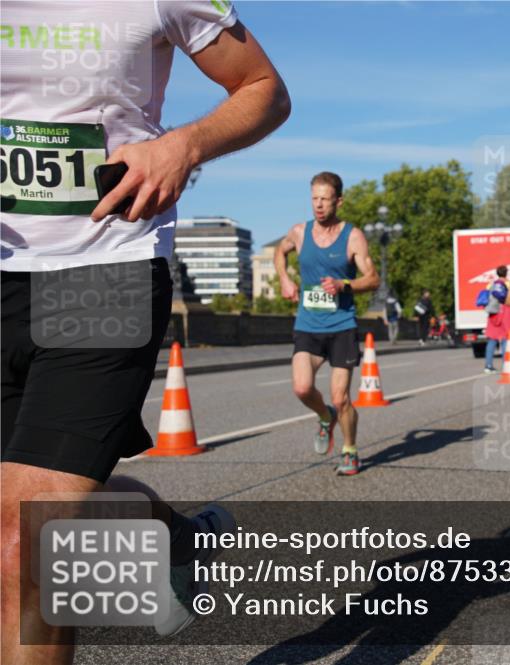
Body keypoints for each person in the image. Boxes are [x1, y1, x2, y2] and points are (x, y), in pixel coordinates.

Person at [0, 2, 290, 661]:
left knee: (26, 543)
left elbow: (264, 89)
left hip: (105, 266)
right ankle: (178, 536)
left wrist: (181, 146)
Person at [275, 172, 379, 476]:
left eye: (325, 199)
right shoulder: (299, 232)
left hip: (341, 325)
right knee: (302, 387)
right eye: (314, 199)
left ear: (339, 201)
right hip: (308, 324)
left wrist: (344, 284)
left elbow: (373, 279)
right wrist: (284, 278)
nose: (318, 205)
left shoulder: (353, 236)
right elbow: (280, 253)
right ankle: (325, 417)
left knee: (341, 396)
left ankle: (349, 449)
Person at [483, 265, 510, 373]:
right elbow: (508, 298)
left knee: (492, 340)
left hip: (492, 314)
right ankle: (506, 363)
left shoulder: (491, 284)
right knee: (505, 339)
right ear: (506, 273)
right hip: (503, 314)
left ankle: (488, 365)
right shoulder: (507, 283)